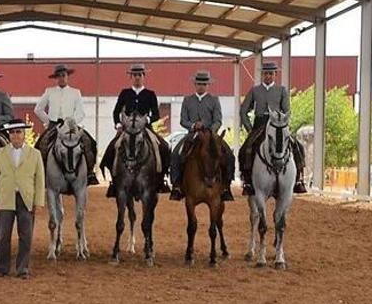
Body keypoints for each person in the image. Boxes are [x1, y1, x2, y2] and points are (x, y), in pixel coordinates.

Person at [101, 63, 171, 197]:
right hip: (127, 129)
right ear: (131, 77)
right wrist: (118, 125)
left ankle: (161, 180)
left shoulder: (150, 94)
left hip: (145, 128)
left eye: (140, 75)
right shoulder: (124, 93)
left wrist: (148, 120)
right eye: (135, 75)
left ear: (143, 76)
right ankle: (114, 182)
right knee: (112, 147)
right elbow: (116, 111)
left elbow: (156, 113)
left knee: (163, 147)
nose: (137, 77)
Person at [0, 119, 45, 279]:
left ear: (24, 134)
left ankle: (23, 268)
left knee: (26, 235)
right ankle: (1, 267)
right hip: (6, 199)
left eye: (18, 132)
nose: (15, 135)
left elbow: (40, 180)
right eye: (12, 132)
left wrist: (39, 202)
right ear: (9, 135)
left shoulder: (35, 154)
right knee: (3, 235)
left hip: (26, 199)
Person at [239, 61, 307, 195]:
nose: (268, 76)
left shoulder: (281, 90)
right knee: (245, 149)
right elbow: (243, 111)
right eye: (266, 73)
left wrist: (282, 122)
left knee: (298, 146)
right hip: (260, 123)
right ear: (262, 75)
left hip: (277, 124)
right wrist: (249, 128)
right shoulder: (254, 90)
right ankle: (247, 181)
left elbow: (287, 110)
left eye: (271, 73)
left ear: (275, 74)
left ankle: (299, 180)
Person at [169, 71, 235, 202]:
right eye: (199, 84)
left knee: (228, 154)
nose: (201, 86)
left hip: (210, 134)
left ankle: (226, 186)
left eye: (204, 84)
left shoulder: (214, 100)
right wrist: (193, 126)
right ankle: (177, 186)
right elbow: (183, 120)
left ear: (208, 85)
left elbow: (218, 120)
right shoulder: (187, 100)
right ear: (195, 84)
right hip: (192, 134)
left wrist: (210, 129)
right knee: (176, 153)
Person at [33, 64, 99, 186]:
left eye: (63, 75)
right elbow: (38, 109)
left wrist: (73, 122)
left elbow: (81, 112)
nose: (61, 78)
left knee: (90, 142)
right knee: (39, 146)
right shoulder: (49, 91)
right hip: (54, 125)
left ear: (67, 76)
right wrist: (48, 121)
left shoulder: (75, 92)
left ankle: (90, 172)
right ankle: (40, 175)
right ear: (56, 78)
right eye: (58, 76)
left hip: (71, 125)